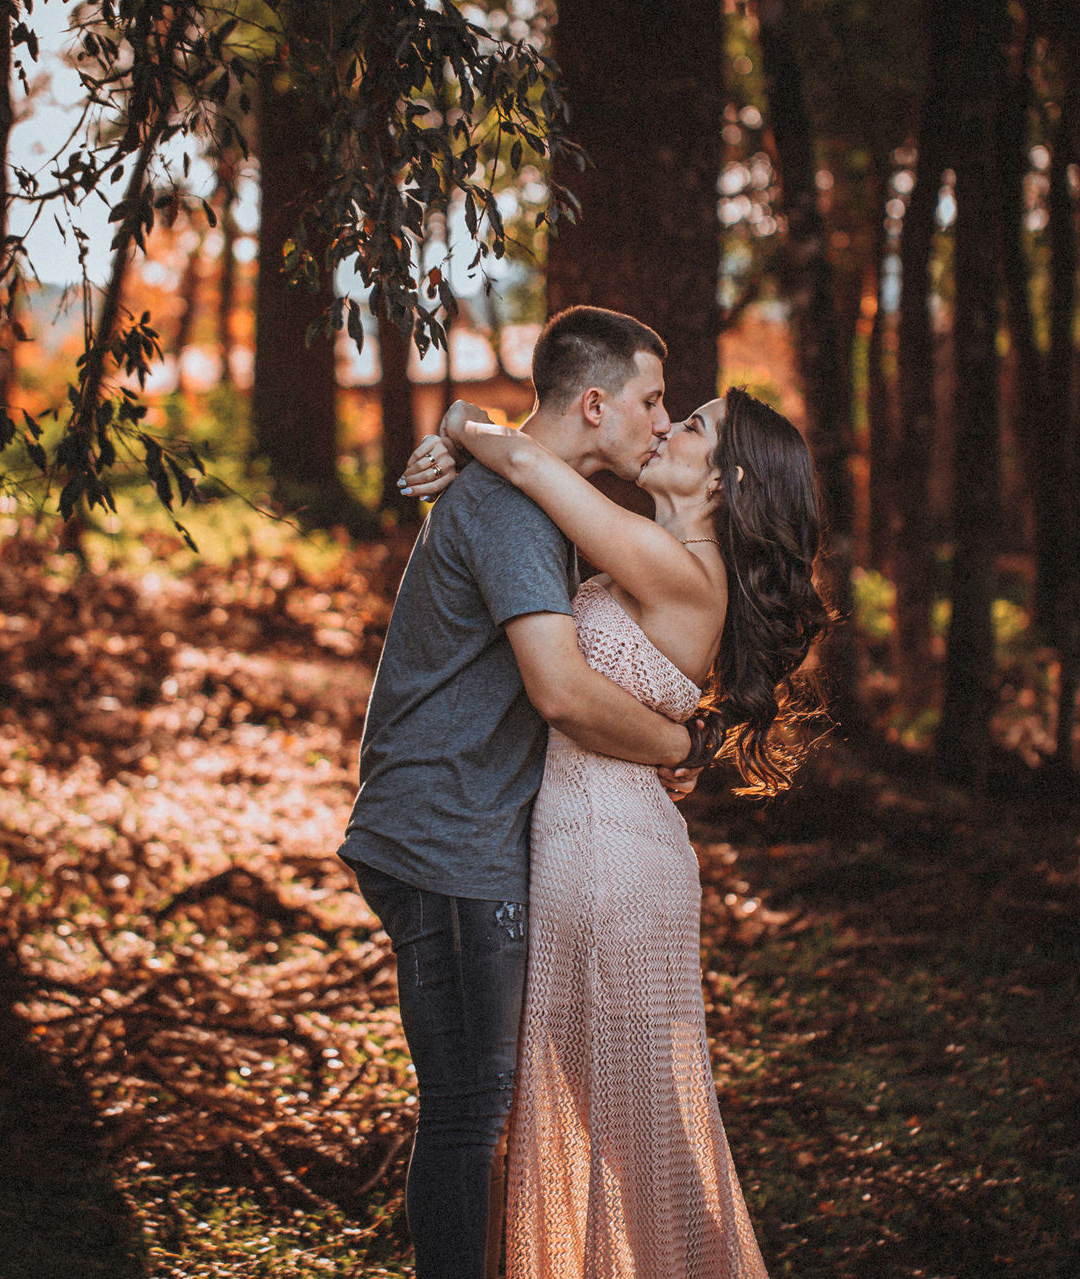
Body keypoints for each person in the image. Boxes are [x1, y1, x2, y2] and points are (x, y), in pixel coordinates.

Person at [399, 380, 829, 1279]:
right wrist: (459, 438)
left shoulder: (677, 564)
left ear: (725, 483)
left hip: (608, 866)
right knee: (618, 1128)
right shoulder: (661, 555)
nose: (668, 426)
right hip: (588, 850)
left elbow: (523, 456)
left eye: (695, 425)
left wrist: (454, 425)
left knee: (643, 1145)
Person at [340, 306, 721, 1279]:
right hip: (446, 833)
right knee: (471, 1109)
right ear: (595, 403)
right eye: (650, 400)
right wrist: (683, 740)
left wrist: (463, 428)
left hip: (467, 828)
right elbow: (557, 686)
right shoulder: (512, 512)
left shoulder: (528, 499)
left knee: (504, 1099)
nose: (660, 421)